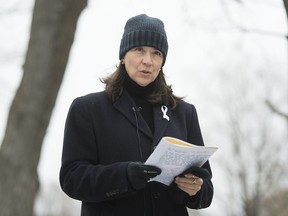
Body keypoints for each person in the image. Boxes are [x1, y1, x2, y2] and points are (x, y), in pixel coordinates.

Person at [59, 14, 214, 216]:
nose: (147, 61)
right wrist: (124, 176)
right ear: (123, 56)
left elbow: (206, 189)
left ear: (162, 61)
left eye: (156, 53)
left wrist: (195, 188)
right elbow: (72, 179)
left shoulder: (184, 113)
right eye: (139, 49)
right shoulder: (87, 109)